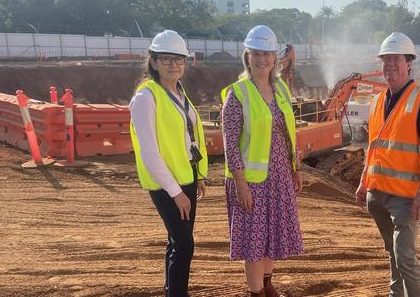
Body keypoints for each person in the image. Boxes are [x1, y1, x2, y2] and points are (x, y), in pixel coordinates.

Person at [221, 25, 303, 297]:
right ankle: (256, 292)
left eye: (267, 54)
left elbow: (289, 132)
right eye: (256, 54)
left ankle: (268, 285)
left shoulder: (280, 89)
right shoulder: (238, 93)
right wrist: (241, 184)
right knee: (254, 243)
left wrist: (296, 168)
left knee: (273, 236)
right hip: (252, 182)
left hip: (280, 176)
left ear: (275, 58)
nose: (262, 60)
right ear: (247, 57)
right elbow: (230, 144)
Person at [355, 32, 420, 297]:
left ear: (409, 63)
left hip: (405, 197)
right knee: (392, 252)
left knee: (405, 257)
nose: (390, 65)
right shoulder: (377, 101)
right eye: (386, 60)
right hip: (377, 195)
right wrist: (362, 183)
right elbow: (373, 147)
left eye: (396, 59)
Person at [129, 30, 208, 297]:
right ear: (153, 61)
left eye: (179, 59)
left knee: (176, 241)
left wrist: (198, 175)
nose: (174, 65)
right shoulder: (146, 97)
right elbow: (149, 152)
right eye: (166, 59)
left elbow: (189, 138)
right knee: (185, 245)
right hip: (166, 185)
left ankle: (170, 289)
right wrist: (175, 193)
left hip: (185, 179)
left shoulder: (180, 93)